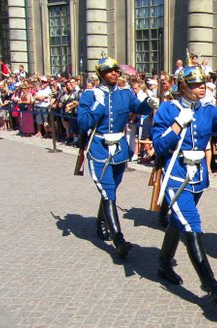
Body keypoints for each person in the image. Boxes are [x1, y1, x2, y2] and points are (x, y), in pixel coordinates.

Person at [151, 63, 217, 304]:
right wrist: (177, 124)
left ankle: (163, 264)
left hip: (197, 176)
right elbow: (159, 146)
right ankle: (211, 284)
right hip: (176, 175)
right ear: (183, 86)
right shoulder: (167, 109)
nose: (201, 87)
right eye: (195, 84)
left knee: (178, 221)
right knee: (192, 223)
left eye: (203, 83)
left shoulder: (207, 110)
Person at [77, 53, 158, 257]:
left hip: (119, 149)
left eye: (115, 70)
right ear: (100, 74)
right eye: (109, 71)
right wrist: (98, 104)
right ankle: (119, 241)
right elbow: (84, 124)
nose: (113, 73)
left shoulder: (124, 93)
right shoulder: (90, 95)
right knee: (108, 192)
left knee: (110, 191)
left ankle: (100, 223)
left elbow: (138, 108)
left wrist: (149, 102)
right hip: (99, 147)